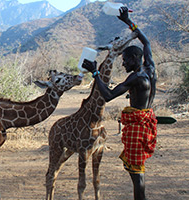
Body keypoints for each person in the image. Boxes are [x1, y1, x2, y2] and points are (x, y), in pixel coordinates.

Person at [81, 7, 157, 200]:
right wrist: (127, 21)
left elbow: (107, 95)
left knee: (136, 173)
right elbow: (145, 41)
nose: (123, 64)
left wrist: (95, 73)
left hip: (138, 128)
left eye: (125, 61)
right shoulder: (150, 67)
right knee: (137, 170)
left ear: (133, 59)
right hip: (145, 122)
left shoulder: (136, 78)